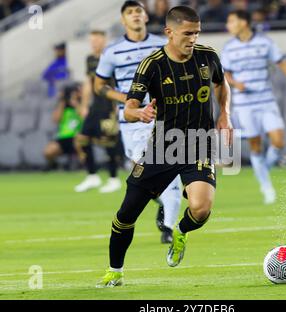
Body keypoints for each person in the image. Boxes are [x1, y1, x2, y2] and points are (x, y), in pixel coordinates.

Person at [96, 5, 233, 288]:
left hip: (199, 142)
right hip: (162, 146)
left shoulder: (208, 56)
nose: (193, 38)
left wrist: (224, 114)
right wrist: (141, 113)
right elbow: (130, 108)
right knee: (126, 214)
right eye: (187, 33)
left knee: (201, 208)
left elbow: (222, 84)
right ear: (169, 32)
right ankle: (115, 271)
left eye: (196, 33)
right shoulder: (152, 64)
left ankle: (180, 231)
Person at [94, 1, 182, 243]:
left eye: (138, 11)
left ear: (146, 17)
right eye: (129, 12)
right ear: (123, 20)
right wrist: (128, 99)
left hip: (163, 116)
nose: (135, 15)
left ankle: (168, 228)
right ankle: (164, 202)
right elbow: (99, 86)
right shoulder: (112, 51)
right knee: (143, 175)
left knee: (169, 170)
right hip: (132, 119)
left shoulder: (161, 45)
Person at [221, 9, 286, 204]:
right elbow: (224, 75)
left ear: (244, 22)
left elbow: (283, 64)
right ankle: (266, 186)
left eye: (231, 21)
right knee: (256, 144)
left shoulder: (265, 42)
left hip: (266, 100)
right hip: (244, 104)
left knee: (278, 141)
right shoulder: (229, 48)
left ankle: (264, 171)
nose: (228, 26)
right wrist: (236, 84)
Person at [74, 30, 122, 194]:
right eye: (91, 40)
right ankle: (92, 176)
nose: (93, 43)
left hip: (109, 104)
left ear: (104, 40)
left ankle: (114, 179)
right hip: (96, 105)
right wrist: (84, 105)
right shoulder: (90, 59)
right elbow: (89, 82)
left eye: (96, 40)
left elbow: (118, 82)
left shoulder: (112, 57)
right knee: (82, 139)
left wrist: (118, 105)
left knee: (109, 141)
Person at [44, 83, 83, 169]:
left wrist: (76, 103)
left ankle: (84, 166)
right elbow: (56, 119)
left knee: (80, 145)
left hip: (79, 137)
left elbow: (84, 117)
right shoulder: (63, 107)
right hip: (64, 137)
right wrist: (62, 101)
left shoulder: (83, 105)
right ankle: (54, 166)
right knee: (48, 152)